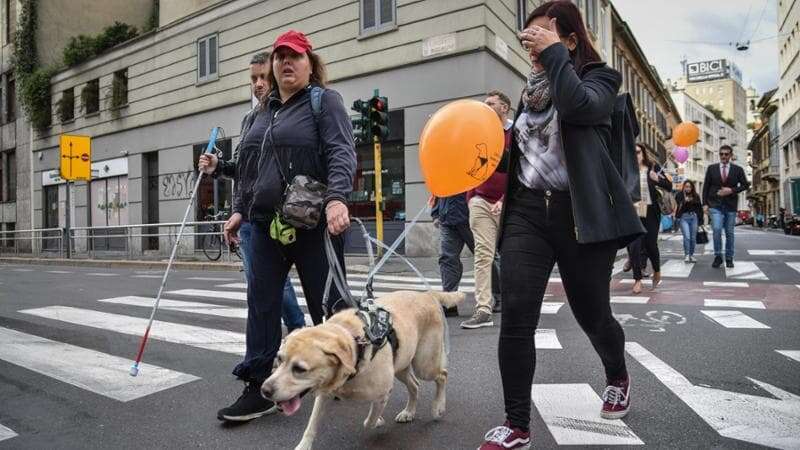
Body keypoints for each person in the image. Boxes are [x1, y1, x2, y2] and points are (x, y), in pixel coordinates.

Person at [478, 3, 645, 448]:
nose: (533, 45)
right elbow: (525, 156)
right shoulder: (530, 91)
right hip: (529, 214)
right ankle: (516, 426)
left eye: (544, 36)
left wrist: (554, 56)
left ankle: (617, 373)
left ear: (570, 40)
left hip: (582, 215)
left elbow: (579, 108)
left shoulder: (602, 80)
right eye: (530, 37)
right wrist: (496, 189)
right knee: (515, 317)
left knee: (593, 315)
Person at [211, 30, 356, 422]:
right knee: (261, 305)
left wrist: (338, 198)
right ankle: (257, 385)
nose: (286, 63)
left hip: (312, 224)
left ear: (311, 63)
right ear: (272, 67)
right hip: (262, 226)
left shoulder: (323, 103)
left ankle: (342, 373)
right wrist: (239, 209)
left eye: (294, 57)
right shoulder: (257, 114)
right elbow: (247, 170)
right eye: (280, 57)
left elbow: (342, 151)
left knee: (328, 306)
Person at [199, 51, 306, 334]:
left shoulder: (286, 114)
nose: (258, 84)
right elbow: (242, 170)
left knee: (271, 284)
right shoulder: (249, 119)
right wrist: (218, 166)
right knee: (259, 288)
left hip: (277, 215)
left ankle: (297, 330)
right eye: (253, 79)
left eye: (262, 77)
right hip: (248, 218)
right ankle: (273, 347)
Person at [460, 90, 512, 329]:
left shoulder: (516, 133)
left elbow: (521, 171)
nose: (485, 107)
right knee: (483, 255)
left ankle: (517, 302)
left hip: (510, 203)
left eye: (490, 103)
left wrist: (505, 197)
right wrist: (471, 197)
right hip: (480, 201)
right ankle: (483, 309)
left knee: (513, 255)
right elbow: (472, 168)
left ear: (505, 108)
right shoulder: (479, 134)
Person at [626, 143, 672, 295]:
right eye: (632, 152)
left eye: (638, 152)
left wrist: (657, 179)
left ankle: (657, 271)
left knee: (651, 244)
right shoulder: (626, 169)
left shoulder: (653, 167)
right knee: (634, 246)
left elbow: (669, 185)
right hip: (633, 211)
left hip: (651, 212)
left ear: (644, 153)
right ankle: (637, 280)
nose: (635, 155)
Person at [702, 145, 750, 268]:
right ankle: (718, 256)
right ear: (719, 155)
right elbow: (706, 186)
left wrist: (731, 190)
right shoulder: (711, 168)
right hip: (715, 204)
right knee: (717, 229)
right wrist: (705, 204)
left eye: (726, 154)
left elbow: (745, 185)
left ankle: (729, 258)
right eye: (721, 154)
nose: (724, 156)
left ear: (731, 155)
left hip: (730, 205)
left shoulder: (737, 169)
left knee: (729, 233)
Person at [431, 192, 473, 317]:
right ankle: (450, 301)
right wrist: (436, 212)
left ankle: (499, 296)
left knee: (487, 257)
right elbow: (439, 187)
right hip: (448, 218)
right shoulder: (444, 172)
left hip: (472, 216)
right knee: (447, 258)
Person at [675, 180, 703, 263]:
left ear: (692, 187)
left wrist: (701, 221)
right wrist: (684, 202)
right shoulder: (679, 195)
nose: (688, 188)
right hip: (684, 218)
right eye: (686, 186)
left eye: (689, 187)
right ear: (683, 187)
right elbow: (677, 207)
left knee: (693, 238)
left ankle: (691, 255)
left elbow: (699, 209)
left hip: (694, 218)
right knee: (687, 236)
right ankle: (687, 255)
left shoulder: (696, 196)